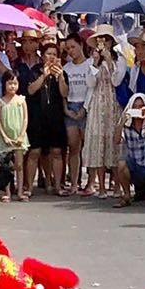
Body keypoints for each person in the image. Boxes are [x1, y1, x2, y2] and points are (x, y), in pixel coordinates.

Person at [23, 41, 66, 198]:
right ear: (42, 56)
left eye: (55, 54)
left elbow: (65, 93)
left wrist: (60, 76)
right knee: (34, 152)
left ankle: (57, 185)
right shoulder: (34, 71)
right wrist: (44, 75)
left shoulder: (61, 72)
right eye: (49, 54)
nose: (52, 57)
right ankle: (29, 187)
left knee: (56, 151)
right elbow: (30, 90)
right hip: (37, 116)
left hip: (55, 116)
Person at [60, 33, 97, 195]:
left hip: (87, 104)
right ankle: (74, 183)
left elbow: (93, 88)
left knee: (89, 147)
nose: (71, 51)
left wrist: (84, 109)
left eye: (73, 47)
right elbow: (63, 92)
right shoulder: (66, 68)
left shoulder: (91, 64)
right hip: (71, 106)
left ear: (81, 45)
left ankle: (90, 183)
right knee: (74, 147)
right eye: (68, 48)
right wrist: (66, 108)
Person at [0, 70, 28, 202]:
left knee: (19, 165)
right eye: (10, 83)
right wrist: (4, 136)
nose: (12, 86)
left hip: (19, 136)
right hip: (5, 138)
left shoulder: (21, 100)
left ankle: (20, 191)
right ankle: (7, 191)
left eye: (15, 83)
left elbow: (25, 119)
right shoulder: (1, 102)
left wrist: (21, 135)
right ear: (4, 84)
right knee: (6, 166)